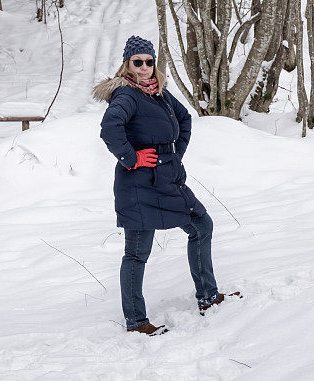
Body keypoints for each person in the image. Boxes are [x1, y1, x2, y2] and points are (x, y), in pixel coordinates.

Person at [93, 35, 240, 336]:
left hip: (168, 180)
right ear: (128, 65)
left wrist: (174, 154)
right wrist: (131, 158)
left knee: (201, 226)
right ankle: (136, 322)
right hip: (139, 185)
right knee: (137, 253)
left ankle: (209, 297)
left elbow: (185, 119)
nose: (145, 67)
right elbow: (110, 128)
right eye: (138, 62)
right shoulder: (127, 95)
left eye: (149, 61)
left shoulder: (158, 93)